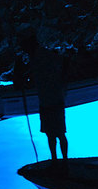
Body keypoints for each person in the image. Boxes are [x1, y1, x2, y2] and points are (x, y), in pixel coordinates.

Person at [19, 33, 69, 167]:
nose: (24, 49)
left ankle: (63, 161)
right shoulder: (35, 57)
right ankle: (57, 160)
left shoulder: (43, 54)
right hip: (47, 99)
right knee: (51, 133)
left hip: (53, 98)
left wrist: (61, 84)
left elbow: (63, 62)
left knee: (58, 133)